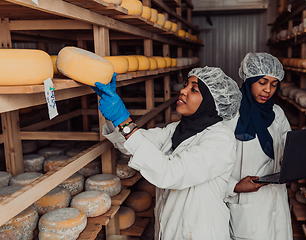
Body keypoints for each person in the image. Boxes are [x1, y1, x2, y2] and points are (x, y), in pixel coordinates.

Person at [92, 66, 242, 240]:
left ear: (211, 102)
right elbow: (132, 144)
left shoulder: (220, 140)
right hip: (170, 228)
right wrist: (115, 118)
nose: (183, 91)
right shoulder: (175, 130)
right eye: (185, 85)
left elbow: (171, 173)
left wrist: (125, 121)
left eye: (193, 89)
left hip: (202, 232)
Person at [224, 52, 293, 240]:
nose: (267, 90)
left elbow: (288, 146)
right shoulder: (231, 116)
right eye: (262, 83)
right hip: (245, 201)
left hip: (276, 199)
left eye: (273, 84)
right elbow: (213, 164)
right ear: (249, 80)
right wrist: (234, 187)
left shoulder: (277, 113)